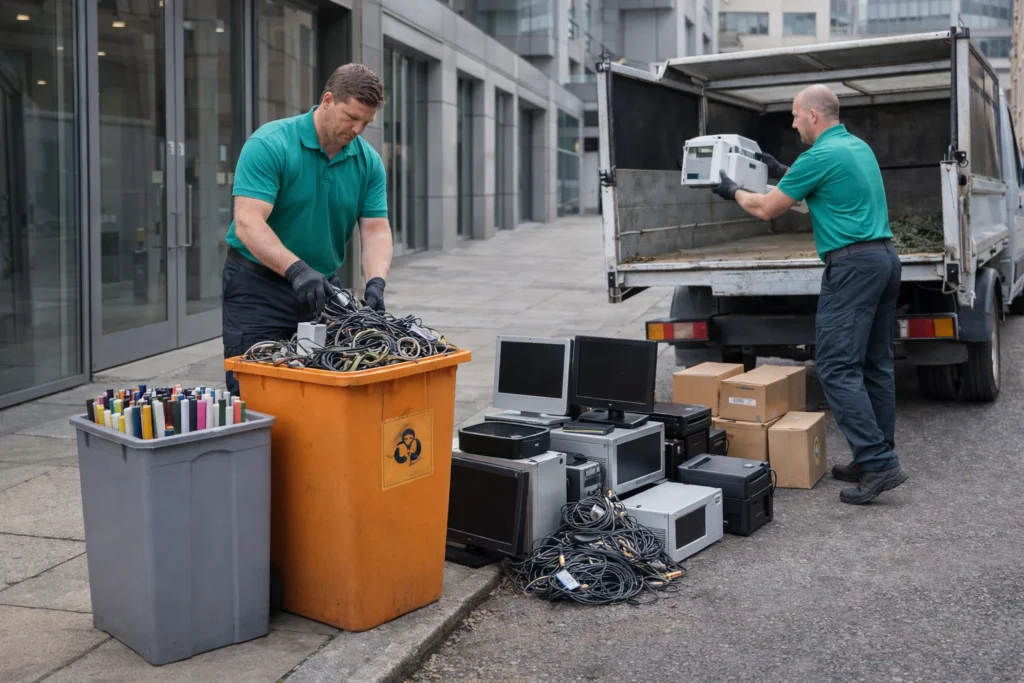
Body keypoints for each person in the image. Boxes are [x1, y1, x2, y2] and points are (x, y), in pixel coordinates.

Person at [711, 84, 908, 505]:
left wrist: (731, 190)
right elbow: (823, 187)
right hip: (885, 260)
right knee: (875, 365)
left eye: (797, 115)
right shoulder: (857, 147)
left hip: (852, 267)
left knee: (837, 367)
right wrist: (781, 168)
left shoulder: (818, 155)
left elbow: (766, 208)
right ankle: (875, 453)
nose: (794, 122)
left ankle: (878, 463)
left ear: (814, 116)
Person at [221, 63, 394, 395]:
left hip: (321, 289)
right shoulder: (271, 144)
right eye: (351, 117)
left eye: (366, 123)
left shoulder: (367, 161)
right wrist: (296, 269)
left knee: (322, 391)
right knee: (257, 392)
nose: (357, 129)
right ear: (327, 100)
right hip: (258, 286)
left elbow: (375, 230)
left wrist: (376, 282)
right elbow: (248, 222)